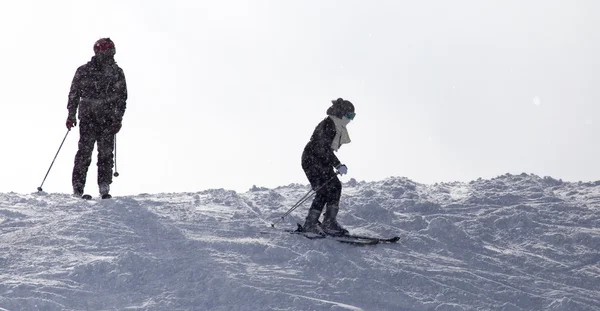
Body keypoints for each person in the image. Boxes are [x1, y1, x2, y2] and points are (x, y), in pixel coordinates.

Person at [66, 38, 127, 199]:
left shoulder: (116, 72)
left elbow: (122, 98)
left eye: (112, 51)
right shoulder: (84, 71)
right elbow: (74, 94)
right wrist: (71, 115)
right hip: (88, 118)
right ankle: (78, 187)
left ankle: (104, 186)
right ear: (99, 52)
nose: (110, 55)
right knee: (85, 152)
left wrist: (118, 118)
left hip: (107, 120)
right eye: (108, 51)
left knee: (106, 153)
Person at [301, 98, 356, 235]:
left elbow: (326, 151)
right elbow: (322, 148)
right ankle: (310, 224)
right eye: (349, 115)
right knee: (323, 190)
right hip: (312, 160)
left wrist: (335, 164)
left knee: (335, 186)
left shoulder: (336, 125)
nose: (350, 119)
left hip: (321, 161)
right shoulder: (328, 124)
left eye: (353, 116)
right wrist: (337, 164)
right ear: (341, 113)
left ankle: (329, 222)